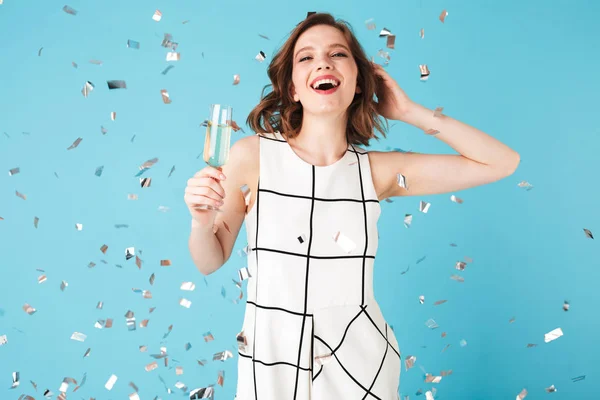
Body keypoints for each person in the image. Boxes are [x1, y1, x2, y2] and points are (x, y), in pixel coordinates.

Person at [185, 12, 520, 400]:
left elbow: (502, 162)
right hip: (270, 364)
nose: (323, 62)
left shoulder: (377, 172)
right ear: (293, 88)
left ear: (359, 81)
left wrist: (409, 111)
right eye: (306, 57)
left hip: (359, 365)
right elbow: (209, 260)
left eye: (338, 54)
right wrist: (200, 220)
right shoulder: (253, 155)